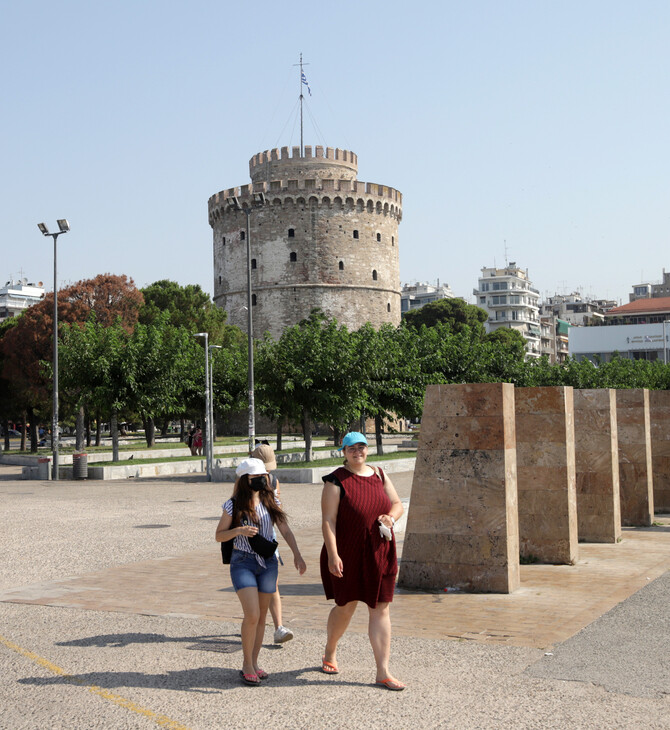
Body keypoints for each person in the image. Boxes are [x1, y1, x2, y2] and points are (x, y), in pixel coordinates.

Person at [320, 431, 406, 691]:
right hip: (348, 552)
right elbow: (328, 520)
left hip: (379, 550)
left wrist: (391, 516)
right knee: (346, 606)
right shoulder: (335, 481)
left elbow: (397, 503)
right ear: (343, 452)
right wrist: (333, 554)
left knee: (381, 607)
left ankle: (383, 671)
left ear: (367, 449)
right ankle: (330, 651)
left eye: (361, 447)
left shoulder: (379, 474)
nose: (357, 452)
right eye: (351, 448)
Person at [216, 457, 306, 686]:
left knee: (262, 616)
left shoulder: (270, 499)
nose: (262, 481)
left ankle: (255, 663)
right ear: (246, 480)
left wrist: (297, 554)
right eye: (256, 478)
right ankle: (246, 664)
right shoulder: (233, 504)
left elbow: (284, 529)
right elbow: (219, 535)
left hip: (268, 563)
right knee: (252, 614)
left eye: (263, 477)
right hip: (242, 562)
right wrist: (238, 530)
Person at [251, 443, 294, 644]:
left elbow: (279, 507)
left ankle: (278, 627)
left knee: (272, 583)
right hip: (248, 540)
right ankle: (254, 622)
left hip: (269, 537)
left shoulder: (274, 479)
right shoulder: (245, 479)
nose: (267, 471)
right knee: (253, 586)